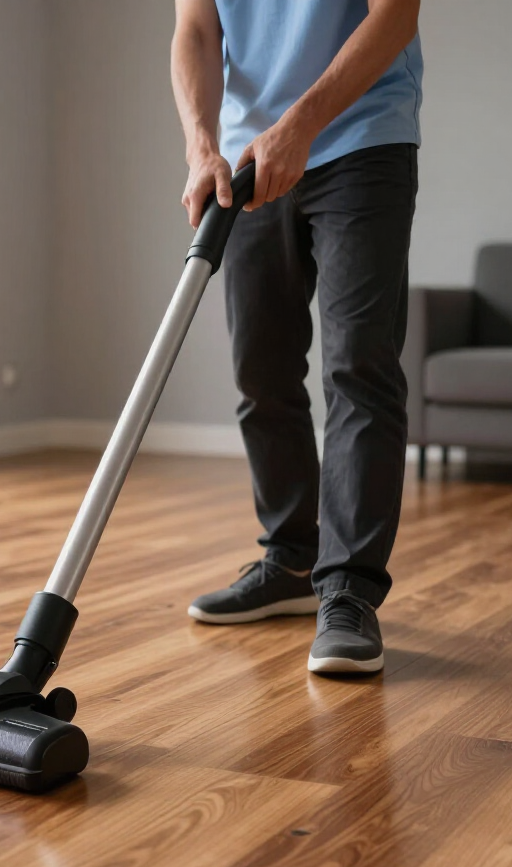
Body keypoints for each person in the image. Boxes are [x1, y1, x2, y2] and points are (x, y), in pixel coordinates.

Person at [172, 0, 422, 674]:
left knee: (358, 367)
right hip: (248, 159)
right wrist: (202, 146)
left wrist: (301, 125)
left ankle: (348, 590)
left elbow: (396, 15)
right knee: (261, 369)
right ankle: (290, 560)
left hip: (362, 138)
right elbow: (196, 29)